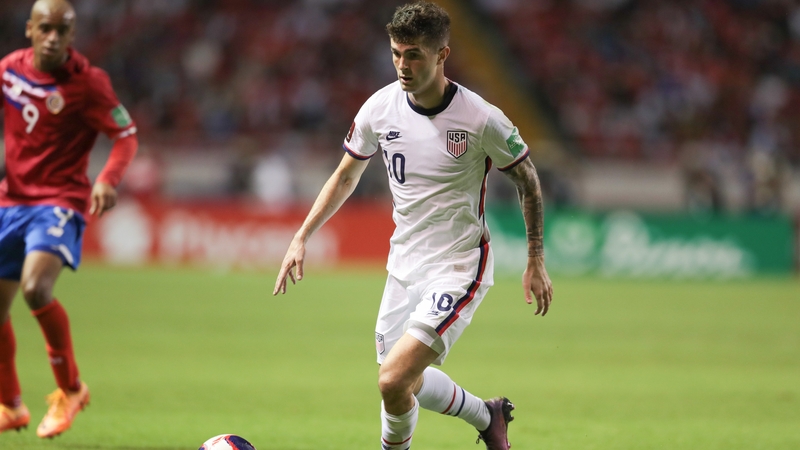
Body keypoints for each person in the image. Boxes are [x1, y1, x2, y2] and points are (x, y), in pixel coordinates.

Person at [274, 2, 552, 448]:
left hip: (459, 265)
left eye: (414, 54)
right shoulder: (379, 109)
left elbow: (528, 181)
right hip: (403, 266)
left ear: (442, 55)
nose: (403, 65)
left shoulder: (481, 118)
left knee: (391, 380)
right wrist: (301, 235)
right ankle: (488, 414)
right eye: (396, 53)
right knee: (402, 381)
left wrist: (535, 258)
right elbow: (346, 175)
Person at [0, 0, 138, 438]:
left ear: (72, 35)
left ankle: (71, 389)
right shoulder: (8, 71)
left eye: (62, 30)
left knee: (35, 288)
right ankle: (10, 404)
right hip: (11, 201)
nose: (53, 37)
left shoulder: (89, 84)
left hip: (60, 201)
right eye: (46, 28)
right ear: (30, 30)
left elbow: (125, 136)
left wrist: (108, 179)